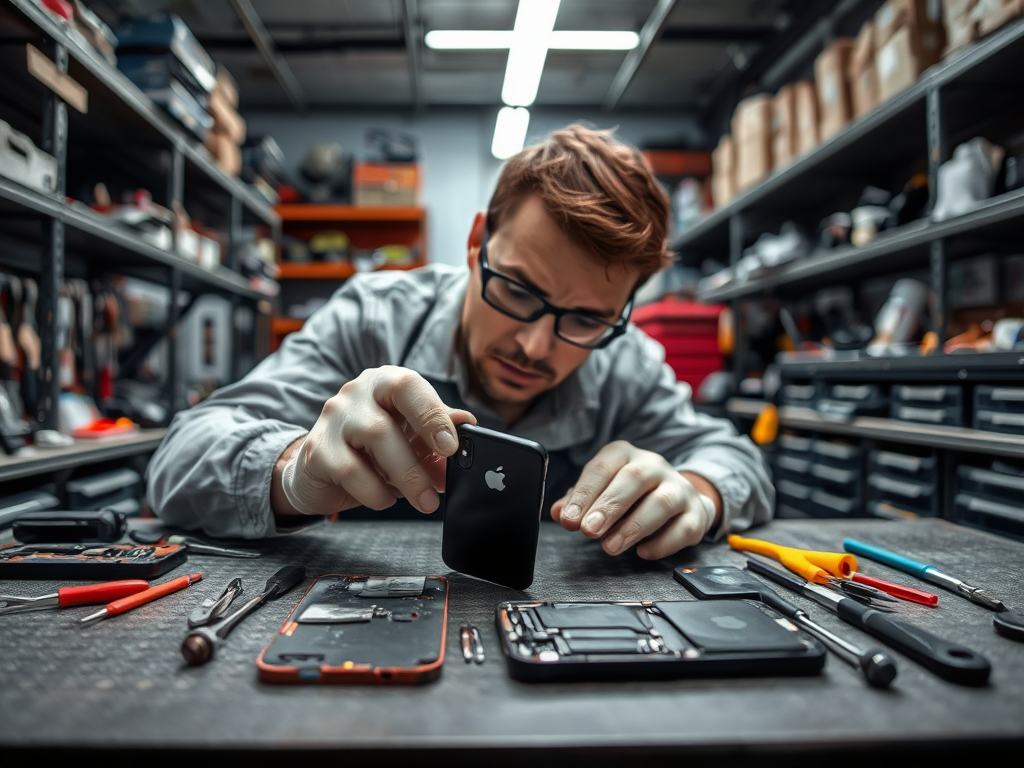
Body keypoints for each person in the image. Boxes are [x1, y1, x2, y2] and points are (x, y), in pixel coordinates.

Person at [148, 125, 772, 558]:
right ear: (476, 244)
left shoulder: (625, 360)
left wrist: (698, 493)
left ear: (623, 309)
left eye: (585, 319)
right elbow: (180, 456)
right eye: (520, 291)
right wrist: (293, 476)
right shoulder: (374, 316)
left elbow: (735, 459)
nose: (535, 346)